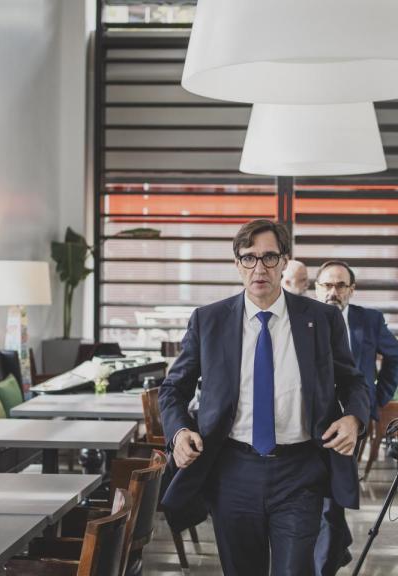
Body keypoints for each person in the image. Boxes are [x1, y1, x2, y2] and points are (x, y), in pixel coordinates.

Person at [159, 219, 370, 576]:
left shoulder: (321, 319)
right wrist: (179, 432)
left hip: (299, 471)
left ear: (285, 261)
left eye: (270, 257)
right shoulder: (208, 321)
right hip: (231, 471)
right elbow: (173, 390)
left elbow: (355, 383)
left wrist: (353, 417)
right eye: (249, 258)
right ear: (237, 264)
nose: (259, 268)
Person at [312, 260, 398, 576]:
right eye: (327, 285)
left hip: (354, 417)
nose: (333, 291)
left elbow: (395, 357)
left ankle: (326, 560)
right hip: (315, 418)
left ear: (351, 289)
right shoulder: (305, 319)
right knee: (329, 489)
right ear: (316, 288)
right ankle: (335, 548)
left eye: (340, 285)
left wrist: (375, 402)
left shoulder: (369, 320)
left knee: (333, 491)